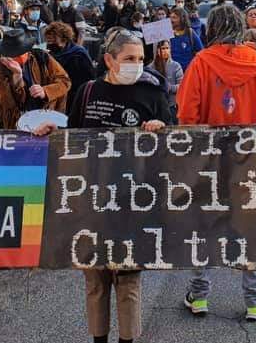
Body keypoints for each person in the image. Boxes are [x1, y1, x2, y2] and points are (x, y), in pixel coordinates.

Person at [176, 4, 256, 321]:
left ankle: (199, 296)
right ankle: (255, 300)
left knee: (206, 225)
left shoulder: (200, 63)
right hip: (252, 159)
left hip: (210, 161)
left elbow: (186, 115)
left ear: (211, 29)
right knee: (250, 228)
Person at [67, 30, 171, 343]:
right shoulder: (87, 92)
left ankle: (128, 339)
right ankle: (98, 338)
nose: (136, 65)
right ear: (109, 60)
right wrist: (49, 130)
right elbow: (70, 138)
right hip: (92, 200)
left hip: (134, 203)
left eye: (140, 59)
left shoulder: (152, 95)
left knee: (128, 282)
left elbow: (176, 141)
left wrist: (161, 128)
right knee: (96, 281)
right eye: (129, 59)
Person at [0, 29, 71, 129]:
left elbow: (65, 81)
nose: (17, 58)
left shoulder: (42, 57)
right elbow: (8, 104)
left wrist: (45, 91)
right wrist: (17, 77)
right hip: (19, 123)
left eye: (20, 53)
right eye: (12, 55)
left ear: (27, 50)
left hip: (47, 118)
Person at [44, 21, 93, 115]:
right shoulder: (54, 52)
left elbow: (85, 80)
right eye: (48, 40)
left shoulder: (78, 55)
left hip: (74, 97)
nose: (50, 43)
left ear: (64, 39)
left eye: (53, 40)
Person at [148, 40, 183, 121]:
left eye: (167, 48)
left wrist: (169, 87)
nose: (165, 51)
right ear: (156, 50)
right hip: (155, 107)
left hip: (172, 106)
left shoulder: (176, 66)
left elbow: (181, 86)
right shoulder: (150, 68)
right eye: (162, 48)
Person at [169, 7, 203, 71]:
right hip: (172, 72)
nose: (171, 20)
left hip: (188, 72)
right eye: (170, 17)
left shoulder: (190, 33)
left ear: (182, 19)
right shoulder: (167, 33)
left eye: (174, 18)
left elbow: (201, 51)